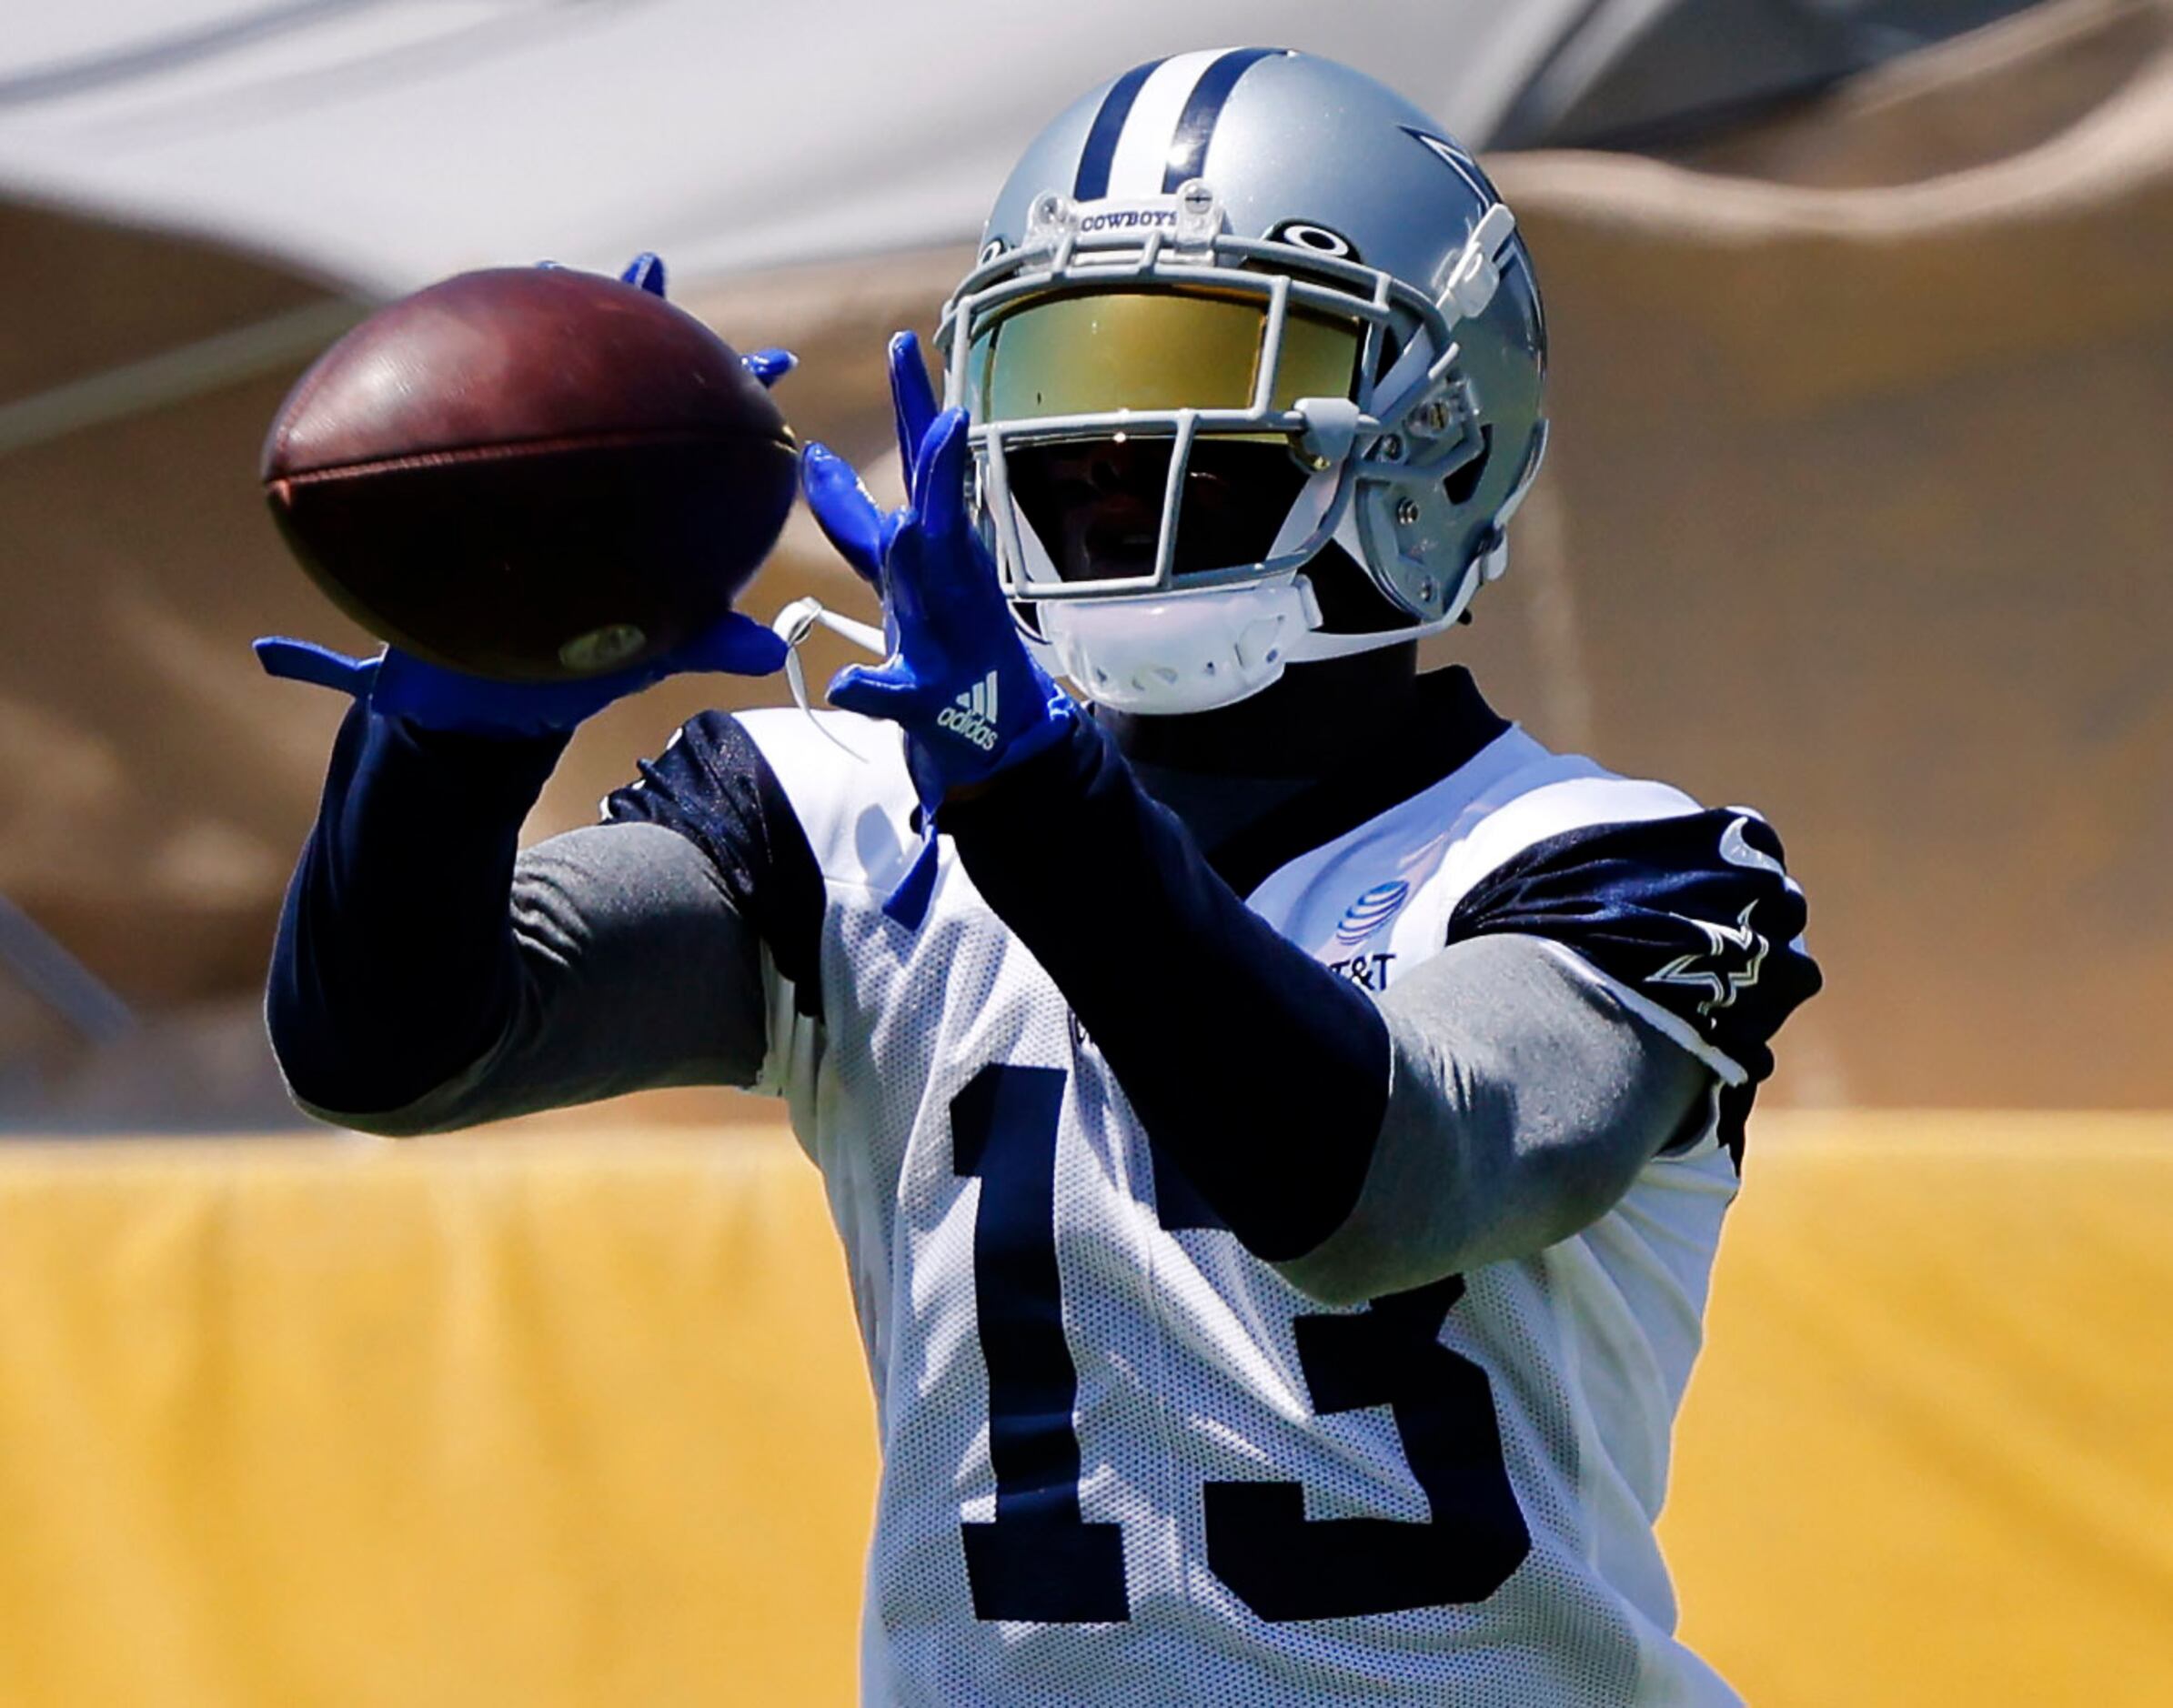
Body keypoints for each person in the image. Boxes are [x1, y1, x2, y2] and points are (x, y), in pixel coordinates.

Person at [261, 48, 1819, 1707]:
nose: (1107, 438)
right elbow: (402, 1044)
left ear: (1436, 430)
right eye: (1060, 363)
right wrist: (458, 721)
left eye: (1211, 366)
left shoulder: (1622, 868)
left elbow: (1377, 1186)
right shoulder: (847, 809)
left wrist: (1025, 784)